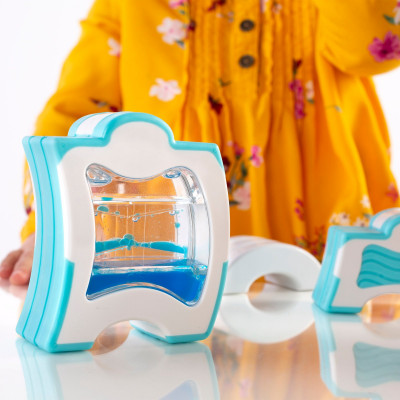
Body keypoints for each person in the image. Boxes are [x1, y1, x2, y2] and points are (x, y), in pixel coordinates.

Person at [1, 0, 400, 285]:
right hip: (171, 260)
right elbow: (77, 118)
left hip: (333, 258)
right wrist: (53, 224)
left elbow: (373, 44)